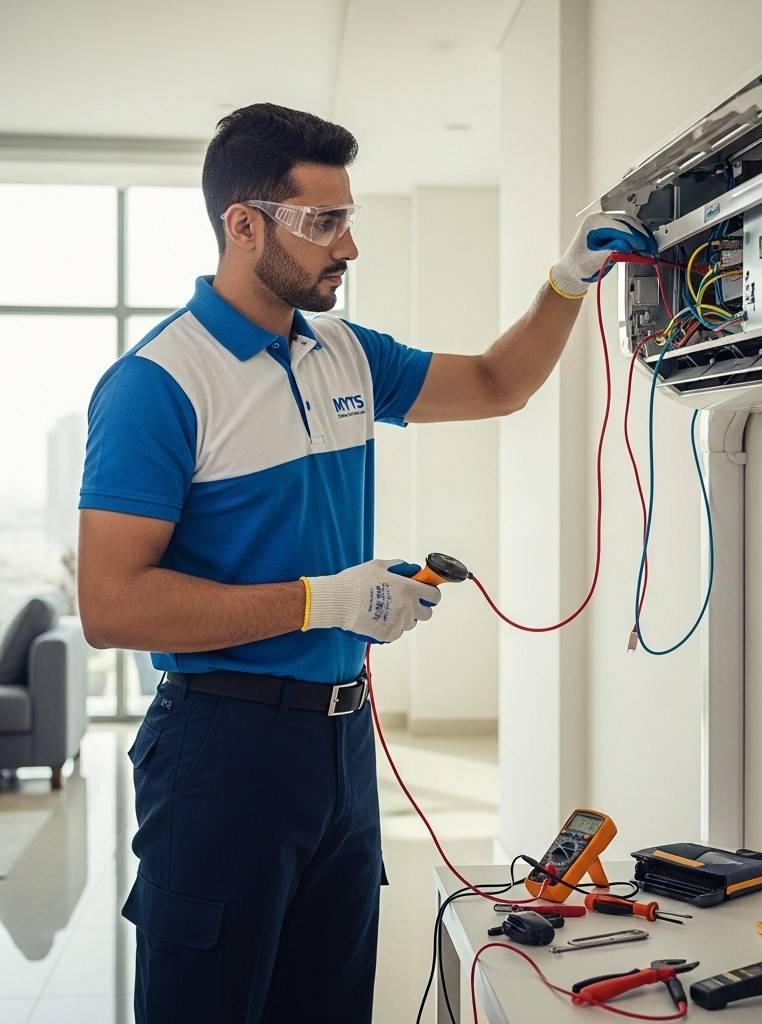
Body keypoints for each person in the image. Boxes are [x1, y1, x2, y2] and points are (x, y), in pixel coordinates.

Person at [77, 102, 656, 1024]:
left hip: (340, 749)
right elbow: (112, 606)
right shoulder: (159, 383)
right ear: (243, 225)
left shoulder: (343, 351)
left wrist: (567, 281)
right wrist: (326, 602)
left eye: (349, 218)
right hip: (222, 750)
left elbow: (498, 383)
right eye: (324, 222)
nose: (348, 246)